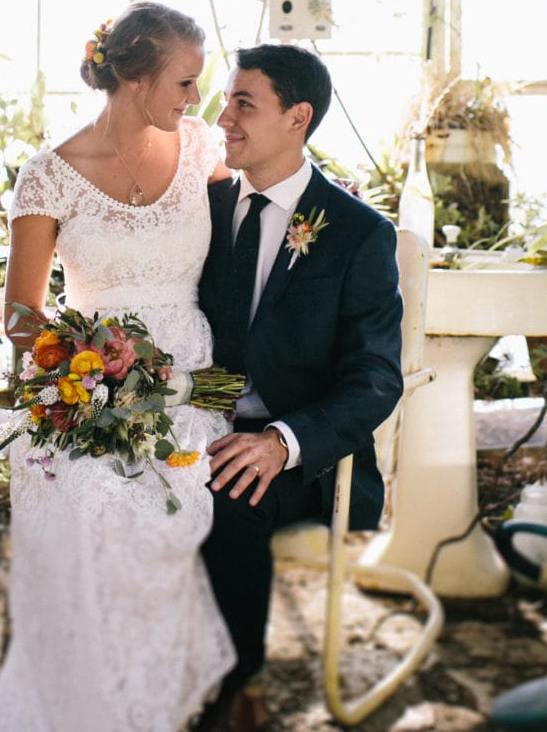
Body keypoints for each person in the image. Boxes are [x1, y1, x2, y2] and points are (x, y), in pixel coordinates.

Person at [0, 1, 235, 731]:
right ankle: (93, 707)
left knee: (156, 507)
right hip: (84, 387)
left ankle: (154, 703)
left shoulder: (202, 150)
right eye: (186, 81)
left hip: (193, 382)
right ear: (135, 77)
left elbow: (263, 223)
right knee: (87, 498)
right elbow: (18, 317)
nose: (196, 98)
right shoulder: (48, 176)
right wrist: (85, 374)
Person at [196, 44, 405, 730]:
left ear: (298, 117)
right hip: (200, 421)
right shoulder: (205, 206)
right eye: (226, 99)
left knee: (230, 494)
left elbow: (375, 377)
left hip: (304, 457)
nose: (222, 116)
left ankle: (236, 687)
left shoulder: (357, 234)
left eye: (243, 103)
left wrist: (281, 444)